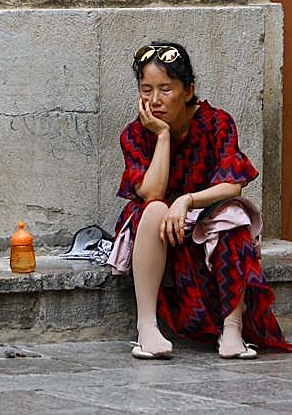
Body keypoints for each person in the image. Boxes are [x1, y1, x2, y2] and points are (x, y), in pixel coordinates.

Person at [110, 41, 291, 359]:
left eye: (166, 89)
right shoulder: (136, 134)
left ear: (188, 89)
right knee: (153, 208)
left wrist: (187, 201)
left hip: (204, 219)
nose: (155, 100)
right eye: (146, 89)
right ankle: (148, 329)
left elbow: (232, 186)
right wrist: (163, 136)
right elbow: (151, 191)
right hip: (158, 230)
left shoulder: (216, 123)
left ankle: (232, 330)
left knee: (234, 216)